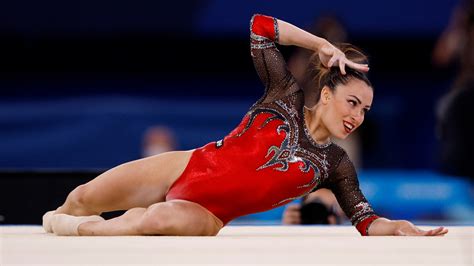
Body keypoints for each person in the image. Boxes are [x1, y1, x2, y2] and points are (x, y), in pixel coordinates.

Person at [42, 14, 448, 237]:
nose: (358, 116)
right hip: (185, 165)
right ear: (326, 95)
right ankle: (75, 222)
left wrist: (398, 227)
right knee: (79, 198)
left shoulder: (334, 163)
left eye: (365, 110)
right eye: (353, 103)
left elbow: (364, 219)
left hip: (208, 212)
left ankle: (93, 232)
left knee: (156, 220)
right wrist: (319, 45)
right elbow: (259, 26)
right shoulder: (283, 96)